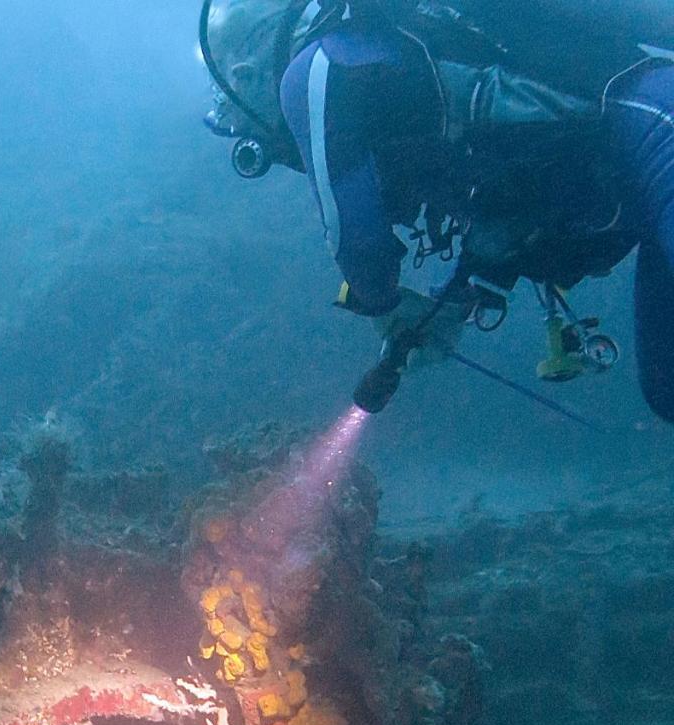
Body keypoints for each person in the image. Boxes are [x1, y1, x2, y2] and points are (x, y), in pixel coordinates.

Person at [202, 0, 674, 421]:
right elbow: (495, 202)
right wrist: (445, 307)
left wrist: (383, 303)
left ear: (246, 68)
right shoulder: (385, 67)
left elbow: (357, 240)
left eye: (225, 81)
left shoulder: (315, 72)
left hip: (655, 127)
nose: (230, 106)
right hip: (641, 159)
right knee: (666, 387)